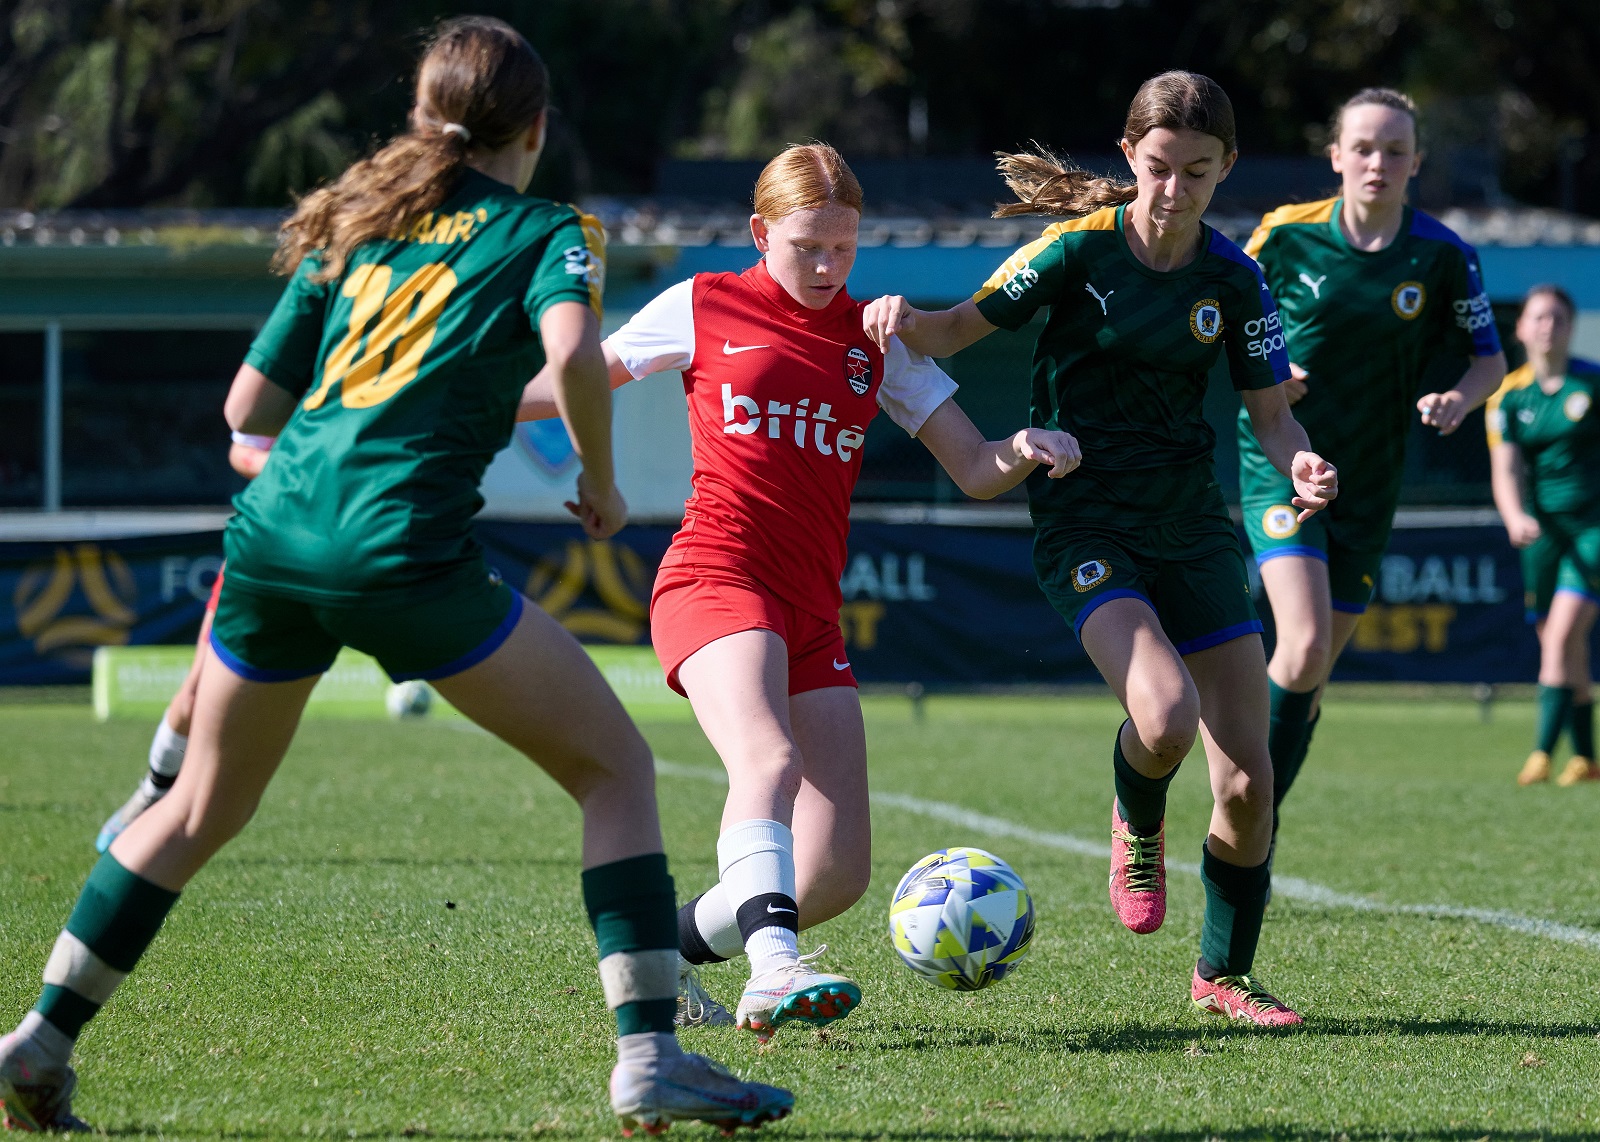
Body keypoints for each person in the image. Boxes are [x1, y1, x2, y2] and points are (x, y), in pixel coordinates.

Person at [0, 18, 793, 1136]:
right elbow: (572, 354)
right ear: (538, 127)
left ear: (426, 120)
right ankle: (651, 1054)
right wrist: (603, 487)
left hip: (273, 539)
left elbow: (244, 413)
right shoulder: (547, 228)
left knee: (197, 808)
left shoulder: (360, 225)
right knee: (615, 767)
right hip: (400, 547)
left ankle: (39, 1037)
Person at [518, 142, 1080, 1043]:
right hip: (714, 575)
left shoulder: (874, 338)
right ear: (759, 232)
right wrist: (458, 400)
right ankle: (773, 971)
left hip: (810, 610)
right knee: (767, 764)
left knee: (834, 874)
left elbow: (975, 467)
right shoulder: (703, 304)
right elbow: (582, 379)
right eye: (806, 247)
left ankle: (656, 952)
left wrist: (1029, 448)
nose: (826, 268)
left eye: (843, 250)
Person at [863, 71, 1337, 1025]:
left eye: (1197, 174)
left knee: (1249, 779)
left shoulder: (1235, 280)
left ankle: (1224, 978)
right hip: (1085, 520)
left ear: (1226, 170)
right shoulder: (1076, 249)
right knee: (1164, 719)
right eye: (1159, 168)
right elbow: (958, 327)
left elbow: (1271, 418)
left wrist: (1302, 463)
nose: (1174, 190)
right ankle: (1138, 814)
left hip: (1192, 525)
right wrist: (898, 319)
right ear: (1131, 157)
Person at [1235, 88, 1505, 860]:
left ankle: (1253, 805)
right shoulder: (1285, 237)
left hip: (1372, 483)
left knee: (1310, 680)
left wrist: (1459, 396)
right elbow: (1221, 321)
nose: (1377, 162)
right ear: (1335, 157)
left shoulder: (1445, 255)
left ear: (1417, 161)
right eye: (1363, 148)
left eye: (1394, 150)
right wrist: (1271, 375)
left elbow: (1491, 360)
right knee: (1307, 641)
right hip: (1279, 465)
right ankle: (1249, 817)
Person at [94, 435, 273, 854]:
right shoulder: (294, 379)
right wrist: (301, 472)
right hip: (264, 550)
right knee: (195, 694)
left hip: (347, 552)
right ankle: (152, 794)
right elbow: (240, 447)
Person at [1486, 286, 1600, 786]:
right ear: (1521, 328)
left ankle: (1540, 755)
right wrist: (1514, 517)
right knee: (1563, 647)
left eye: (1557, 317)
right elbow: (1505, 469)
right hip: (1542, 533)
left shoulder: (1593, 383)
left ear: (1571, 327)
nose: (1547, 326)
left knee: (1560, 635)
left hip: (1593, 529)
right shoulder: (1508, 393)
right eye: (1538, 317)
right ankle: (1588, 759)